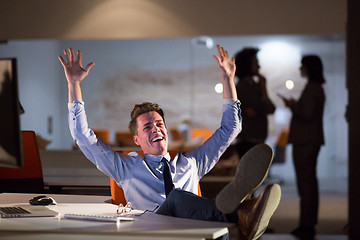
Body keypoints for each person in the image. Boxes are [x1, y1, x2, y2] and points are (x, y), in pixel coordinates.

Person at [59, 45, 281, 240]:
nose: (156, 128)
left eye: (159, 124)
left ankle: (241, 212)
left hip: (195, 233)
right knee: (175, 198)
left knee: (204, 220)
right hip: (153, 233)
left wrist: (227, 79)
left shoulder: (192, 163)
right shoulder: (125, 168)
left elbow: (230, 129)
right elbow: (82, 136)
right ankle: (242, 212)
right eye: (147, 127)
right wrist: (74, 84)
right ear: (136, 140)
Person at [282, 55, 325, 238]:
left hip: (305, 141)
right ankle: (307, 223)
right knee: (308, 183)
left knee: (306, 184)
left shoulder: (313, 88)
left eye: (302, 66)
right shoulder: (315, 88)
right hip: (309, 140)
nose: (301, 69)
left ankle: (307, 225)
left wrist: (293, 106)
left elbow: (307, 114)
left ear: (309, 68)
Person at [234, 48, 276, 159]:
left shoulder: (255, 85)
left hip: (257, 138)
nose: (259, 66)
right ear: (247, 65)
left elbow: (271, 109)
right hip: (248, 140)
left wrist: (263, 88)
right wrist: (263, 89)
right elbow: (263, 108)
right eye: (255, 63)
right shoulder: (243, 86)